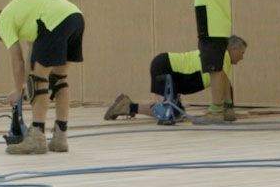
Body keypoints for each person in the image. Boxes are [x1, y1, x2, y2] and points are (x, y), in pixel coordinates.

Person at [0, 0, 85, 155]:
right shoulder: (25, 17)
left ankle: (37, 137)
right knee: (59, 80)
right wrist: (23, 84)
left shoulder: (4, 20)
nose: (4, 39)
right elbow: (31, 57)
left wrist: (17, 91)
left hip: (54, 21)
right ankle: (60, 138)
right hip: (75, 18)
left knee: (38, 81)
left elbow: (17, 60)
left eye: (0, 38)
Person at [146, 0, 236, 119]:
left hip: (212, 27)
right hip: (215, 26)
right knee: (218, 68)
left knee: (214, 70)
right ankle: (226, 108)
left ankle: (216, 110)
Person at [105, 36, 248, 123]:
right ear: (233, 48)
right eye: (242, 53)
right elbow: (224, 85)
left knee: (175, 113)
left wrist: (229, 110)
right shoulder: (222, 57)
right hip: (165, 65)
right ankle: (127, 106)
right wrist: (226, 111)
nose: (242, 57)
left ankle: (128, 106)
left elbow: (225, 85)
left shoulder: (223, 59)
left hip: (170, 68)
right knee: (167, 114)